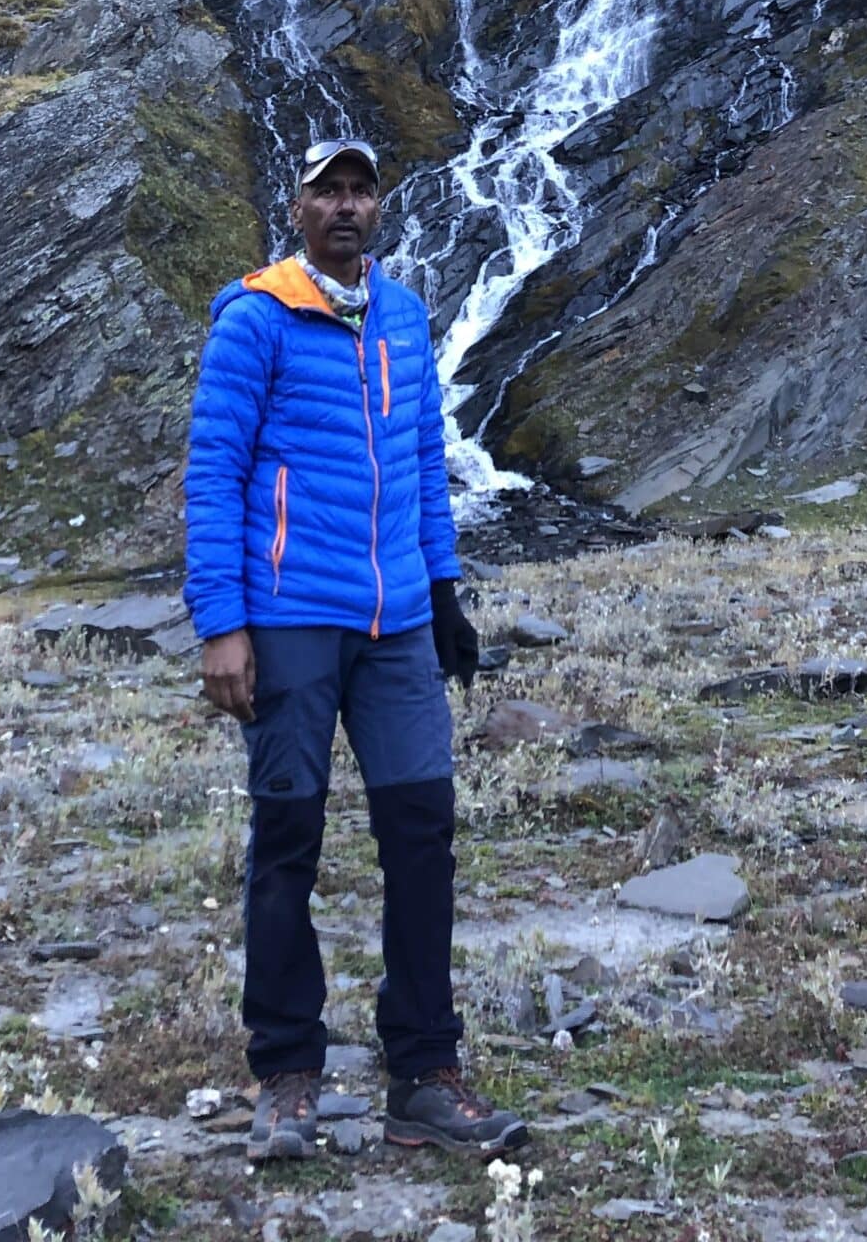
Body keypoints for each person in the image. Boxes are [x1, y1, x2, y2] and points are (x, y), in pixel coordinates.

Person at [183, 136, 527, 1165]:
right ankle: (288, 1070)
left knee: (423, 833)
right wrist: (221, 624)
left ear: (380, 208)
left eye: (359, 190)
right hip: (289, 614)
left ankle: (423, 1069)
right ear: (294, 207)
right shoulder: (255, 320)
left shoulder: (408, 318)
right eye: (325, 189)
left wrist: (443, 587)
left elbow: (424, 462)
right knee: (287, 838)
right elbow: (213, 474)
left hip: (396, 625)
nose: (344, 206)